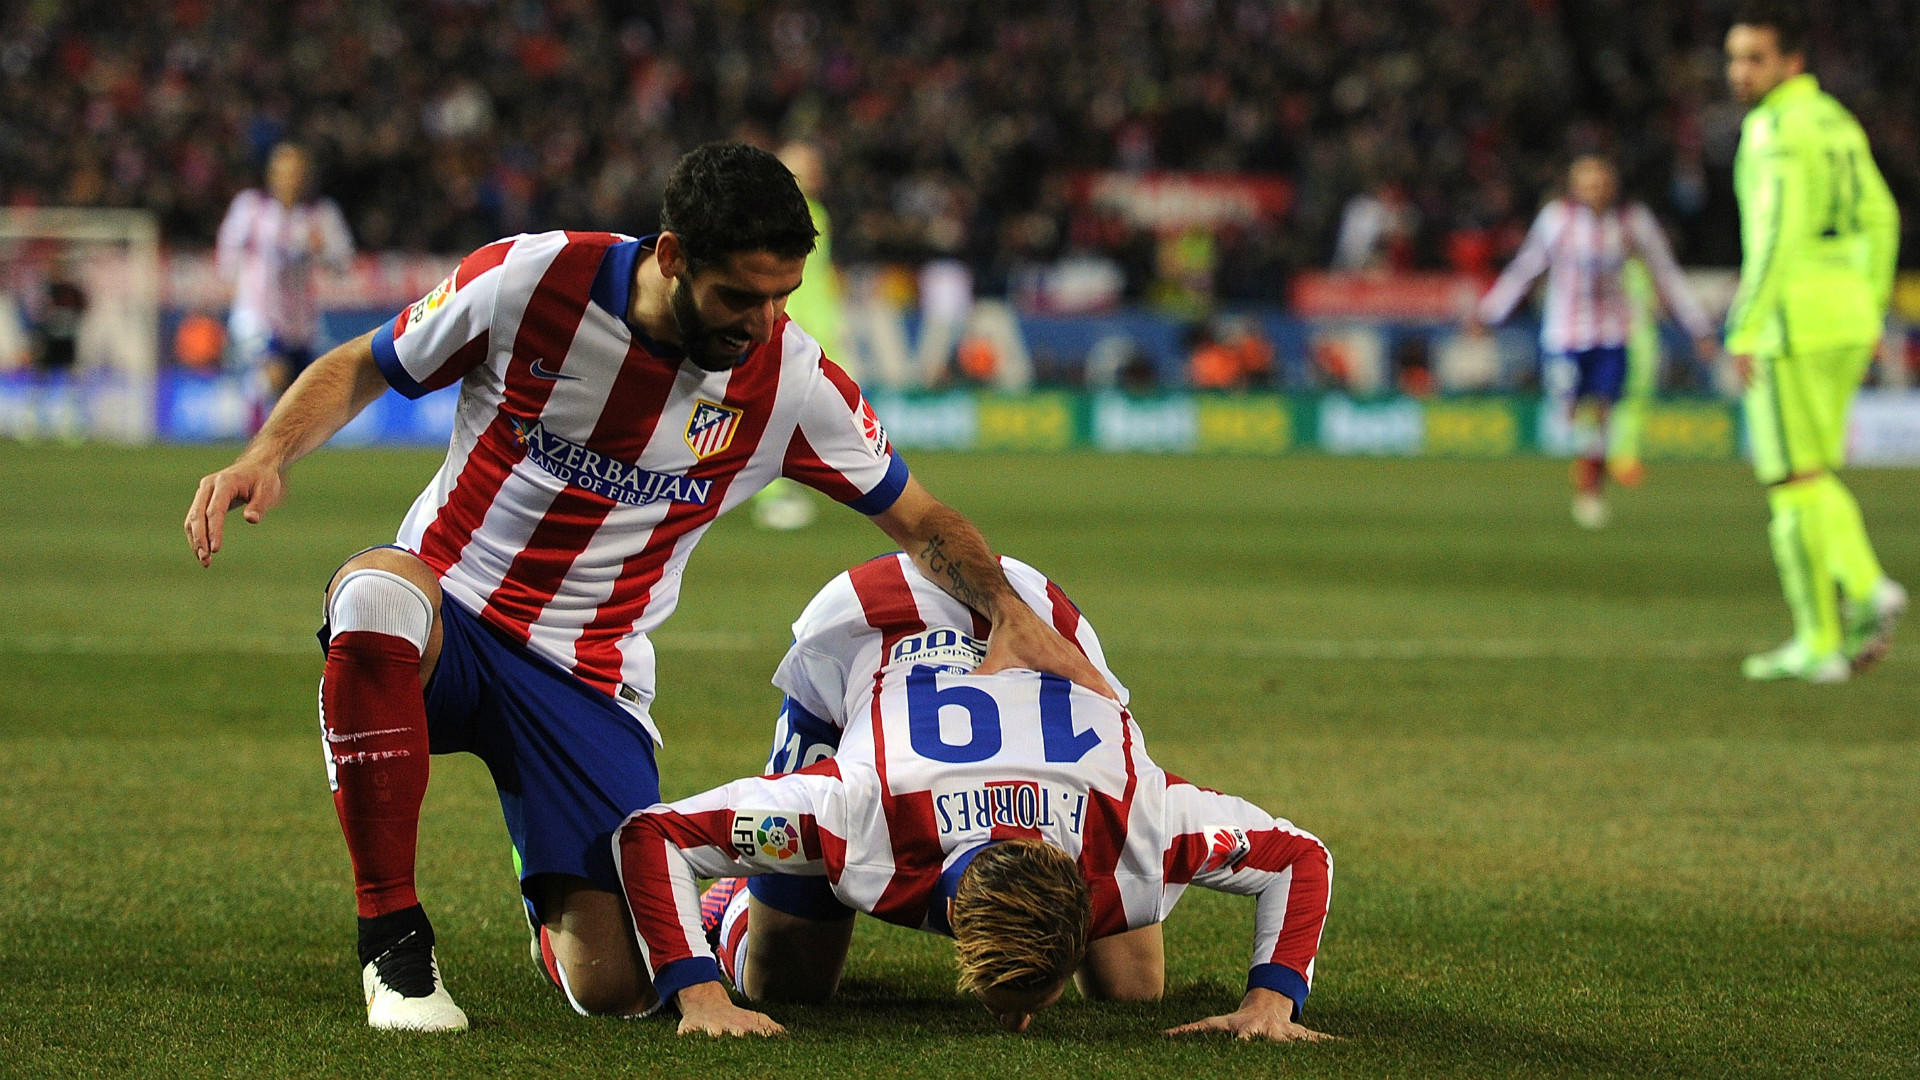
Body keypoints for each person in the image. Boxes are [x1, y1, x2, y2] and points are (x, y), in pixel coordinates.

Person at [182, 143, 1113, 1032]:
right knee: (375, 595)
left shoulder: (789, 379)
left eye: (781, 297)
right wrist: (265, 456)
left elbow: (922, 518)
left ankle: (554, 896)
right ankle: (393, 939)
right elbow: (363, 364)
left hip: (588, 674)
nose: (761, 321)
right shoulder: (528, 279)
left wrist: (1009, 610)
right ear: (671, 255)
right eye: (739, 295)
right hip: (450, 610)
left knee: (617, 991)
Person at [614, 552, 1333, 1041]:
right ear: (949, 912)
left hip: (1037, 617)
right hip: (867, 620)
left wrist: (1271, 1003)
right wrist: (700, 992)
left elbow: (1301, 856)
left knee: (1134, 992)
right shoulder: (858, 814)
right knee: (785, 985)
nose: (1014, 1027)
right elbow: (653, 835)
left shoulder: (1140, 820)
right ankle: (729, 906)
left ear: (1088, 901)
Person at [1723, 3, 1906, 683]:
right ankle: (1824, 643)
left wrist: (1746, 321)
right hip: (1847, 318)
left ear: (1791, 62)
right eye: (1734, 57)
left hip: (1791, 325)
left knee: (1790, 482)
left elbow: (1777, 232)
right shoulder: (1835, 121)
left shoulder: (1774, 129)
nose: (1740, 72)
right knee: (1811, 479)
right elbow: (1881, 216)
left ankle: (1857, 595)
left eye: (1755, 58)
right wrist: (1869, 299)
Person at [1469, 155, 1715, 528]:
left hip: (1613, 332)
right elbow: (1526, 268)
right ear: (1573, 187)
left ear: (1612, 186)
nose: (1595, 192)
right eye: (1587, 185)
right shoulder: (1557, 221)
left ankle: (1590, 492)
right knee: (1568, 408)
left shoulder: (1633, 222)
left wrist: (1697, 327)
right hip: (1564, 334)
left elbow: (1666, 274)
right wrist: (1490, 312)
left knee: (1601, 412)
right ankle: (1581, 460)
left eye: (1601, 184)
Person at [214, 142, 354, 429]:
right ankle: (253, 443)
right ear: (271, 174)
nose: (288, 179)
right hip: (257, 315)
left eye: (295, 172)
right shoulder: (251, 207)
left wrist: (324, 249)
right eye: (282, 172)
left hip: (301, 323)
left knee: (292, 400)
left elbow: (343, 261)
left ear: (305, 176)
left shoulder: (321, 214)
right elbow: (227, 250)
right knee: (271, 376)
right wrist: (230, 284)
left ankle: (273, 466)